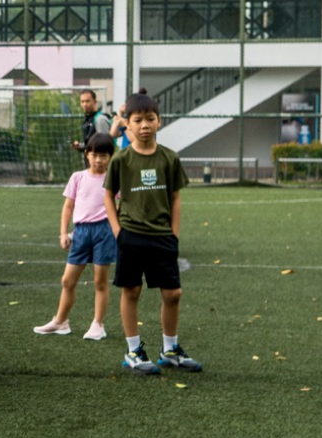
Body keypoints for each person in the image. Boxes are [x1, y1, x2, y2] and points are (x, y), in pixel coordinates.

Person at [103, 91, 202, 376]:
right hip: (130, 235)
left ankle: (169, 350)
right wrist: (118, 231)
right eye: (138, 120)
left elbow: (176, 198)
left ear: (159, 121)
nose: (145, 125)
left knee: (173, 293)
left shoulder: (169, 158)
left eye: (150, 119)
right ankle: (134, 350)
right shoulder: (121, 159)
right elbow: (109, 196)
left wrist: (174, 234)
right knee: (131, 290)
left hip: (162, 237)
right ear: (128, 125)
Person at [34, 132, 117, 341]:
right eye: (95, 154)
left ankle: (98, 324)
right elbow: (68, 205)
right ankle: (61, 321)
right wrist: (64, 233)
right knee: (67, 280)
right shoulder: (77, 177)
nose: (99, 160)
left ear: (110, 157)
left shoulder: (113, 180)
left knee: (100, 281)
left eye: (104, 156)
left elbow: (122, 205)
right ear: (87, 154)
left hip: (104, 233)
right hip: (80, 233)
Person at [72, 90, 111, 154]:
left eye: (87, 101)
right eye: (82, 102)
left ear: (95, 102)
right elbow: (90, 144)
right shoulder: (88, 119)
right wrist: (81, 146)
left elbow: (104, 145)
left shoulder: (100, 119)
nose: (85, 104)